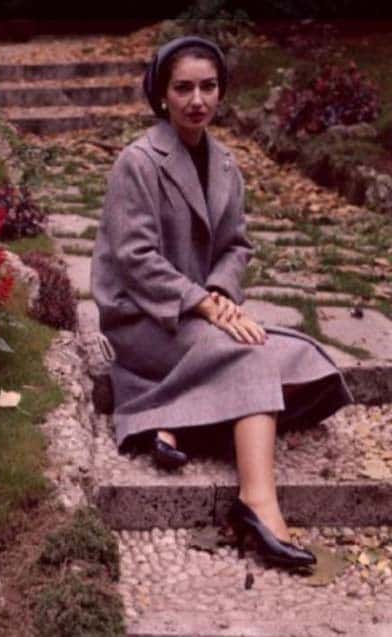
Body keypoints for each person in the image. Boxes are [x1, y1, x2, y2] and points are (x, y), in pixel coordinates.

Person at [90, 35, 353, 569]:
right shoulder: (138, 162)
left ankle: (175, 418)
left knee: (315, 367)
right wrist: (201, 304)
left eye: (208, 87)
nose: (197, 100)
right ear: (162, 95)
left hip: (201, 316)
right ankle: (257, 505)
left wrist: (221, 294)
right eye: (183, 88)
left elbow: (235, 246)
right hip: (147, 319)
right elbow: (135, 258)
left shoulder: (226, 164)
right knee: (252, 356)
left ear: (221, 92)